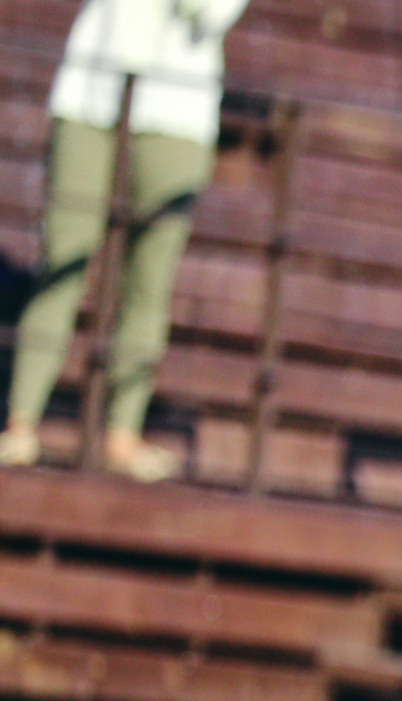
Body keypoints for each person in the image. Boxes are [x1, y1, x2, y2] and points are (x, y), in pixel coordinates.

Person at [0, 0, 251, 481]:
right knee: (62, 259)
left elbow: (209, 10)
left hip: (177, 109)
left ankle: (121, 432)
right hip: (91, 93)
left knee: (148, 279)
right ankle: (21, 420)